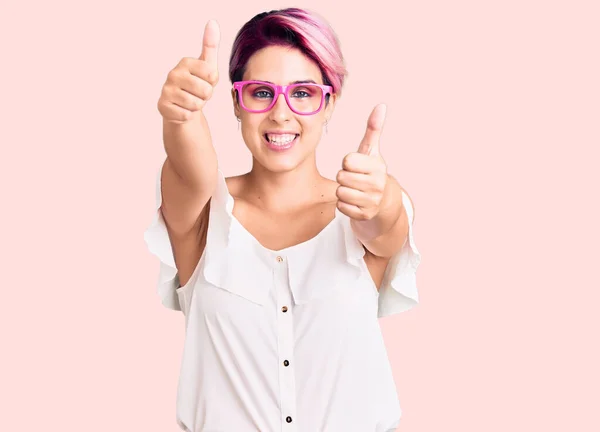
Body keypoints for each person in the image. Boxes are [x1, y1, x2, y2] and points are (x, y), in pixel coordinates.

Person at [144, 7, 422, 432]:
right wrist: (179, 116)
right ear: (236, 102)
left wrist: (381, 199)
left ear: (329, 104)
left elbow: (385, 223)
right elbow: (190, 167)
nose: (280, 113)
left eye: (303, 93)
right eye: (260, 93)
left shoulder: (361, 203)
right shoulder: (203, 213)